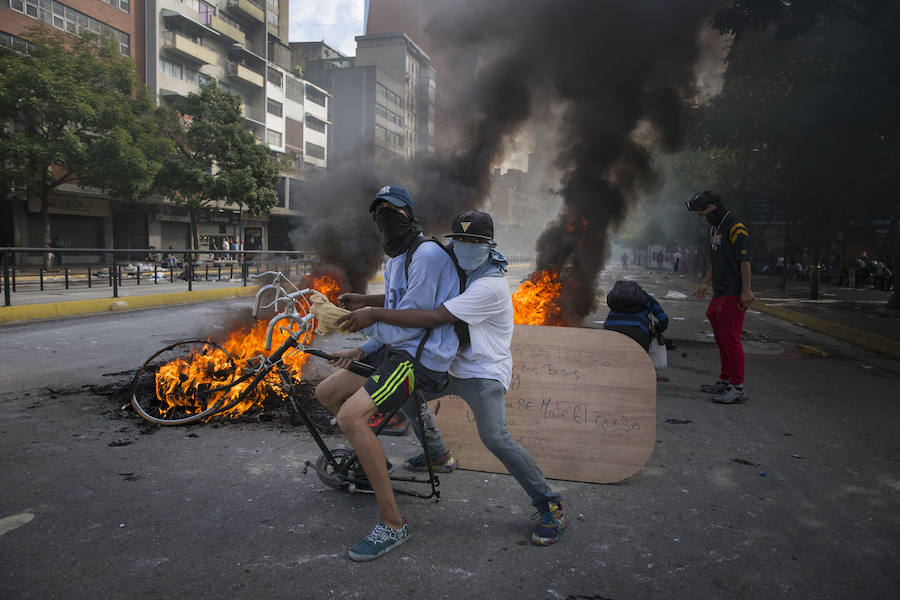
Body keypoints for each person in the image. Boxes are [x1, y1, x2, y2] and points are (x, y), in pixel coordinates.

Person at [337, 209, 567, 547]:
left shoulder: (489, 286)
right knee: (407, 398)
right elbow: (414, 298)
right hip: (449, 364)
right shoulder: (461, 271)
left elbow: (431, 315)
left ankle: (549, 503)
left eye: (475, 241)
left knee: (496, 438)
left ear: (489, 245)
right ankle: (438, 454)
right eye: (460, 240)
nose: (466, 247)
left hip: (483, 371)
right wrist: (369, 299)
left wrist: (371, 314)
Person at [314, 185, 461, 561]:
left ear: (409, 214)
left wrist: (368, 321)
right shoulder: (398, 256)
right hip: (396, 349)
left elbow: (414, 322)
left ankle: (392, 523)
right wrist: (366, 306)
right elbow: (400, 302)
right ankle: (370, 463)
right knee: (326, 394)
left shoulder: (426, 253)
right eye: (378, 212)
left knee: (350, 416)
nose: (385, 217)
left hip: (418, 358)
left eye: (392, 210)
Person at [686, 191, 754, 404]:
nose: (702, 217)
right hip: (719, 291)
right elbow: (717, 261)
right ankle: (725, 381)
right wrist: (705, 282)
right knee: (721, 338)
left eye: (702, 212)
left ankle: (738, 387)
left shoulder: (736, 227)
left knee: (731, 340)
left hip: (734, 292)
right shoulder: (715, 228)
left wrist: (747, 290)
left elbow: (744, 261)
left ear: (713, 207)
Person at [602, 280, 669, 351]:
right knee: (640, 359)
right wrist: (658, 329)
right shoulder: (646, 297)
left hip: (610, 331)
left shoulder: (615, 299)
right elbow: (663, 319)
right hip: (638, 333)